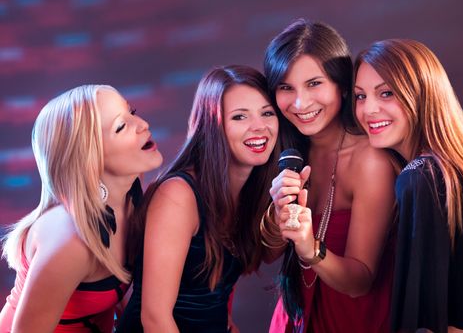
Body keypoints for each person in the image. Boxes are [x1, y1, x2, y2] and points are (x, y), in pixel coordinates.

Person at [353, 38, 463, 333]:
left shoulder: (423, 177)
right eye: (360, 96)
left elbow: (448, 322)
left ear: (422, 93)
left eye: (386, 93)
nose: (369, 109)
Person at [117, 65, 280, 333]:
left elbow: (261, 260)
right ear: (212, 125)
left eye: (267, 113)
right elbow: (155, 318)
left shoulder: (247, 193)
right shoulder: (178, 196)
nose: (259, 127)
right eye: (240, 117)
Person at [260, 18, 399, 332]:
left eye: (314, 83)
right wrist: (278, 211)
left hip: (355, 320)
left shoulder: (369, 160)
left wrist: (312, 248)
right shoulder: (287, 153)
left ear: (342, 84)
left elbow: (360, 281)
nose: (300, 103)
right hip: (295, 318)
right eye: (286, 87)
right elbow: (268, 255)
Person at [0, 85, 163, 332]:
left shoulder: (132, 203)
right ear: (89, 157)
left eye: (132, 112)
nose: (142, 124)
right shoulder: (70, 237)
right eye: (121, 126)